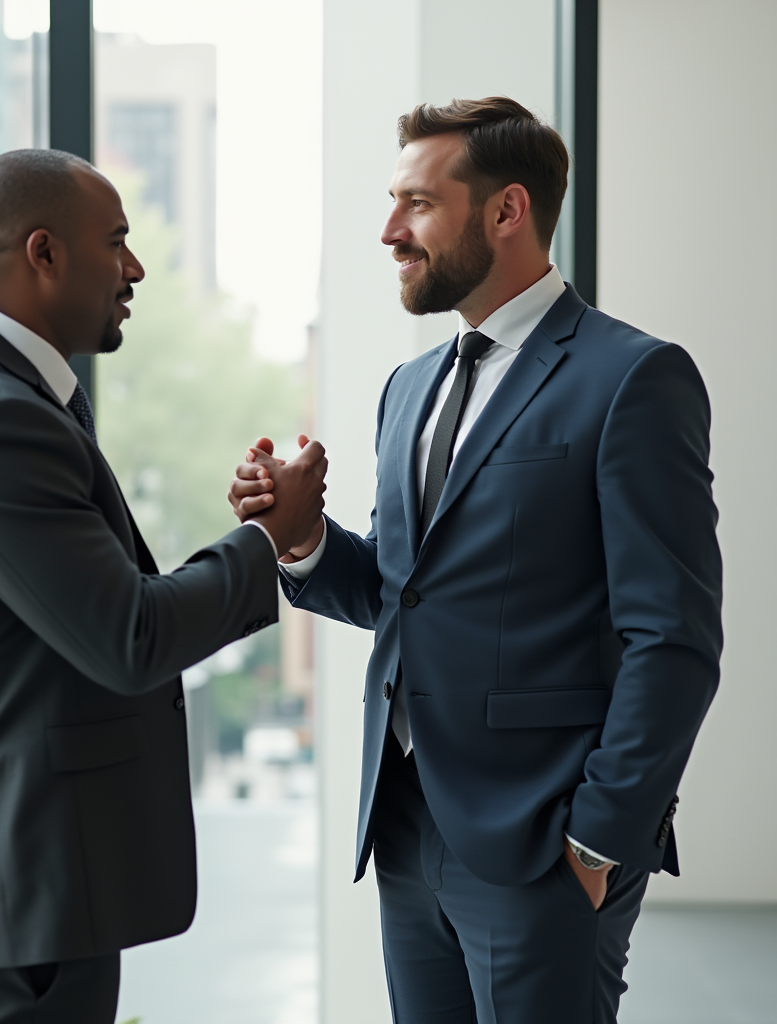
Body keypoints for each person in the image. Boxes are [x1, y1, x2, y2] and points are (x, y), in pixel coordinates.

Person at [230, 97, 723, 1023]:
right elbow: (401, 593)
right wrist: (300, 539)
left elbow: (676, 638)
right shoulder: (409, 387)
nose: (389, 231)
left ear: (507, 212)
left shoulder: (634, 377)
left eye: (416, 205)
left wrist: (598, 841)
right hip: (407, 829)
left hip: (547, 844)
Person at [0, 148, 326, 1024]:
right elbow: (130, 638)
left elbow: (79, 607)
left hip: (6, 887)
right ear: (44, 253)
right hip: (11, 898)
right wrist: (268, 538)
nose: (135, 268)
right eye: (116, 243)